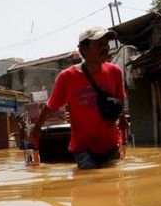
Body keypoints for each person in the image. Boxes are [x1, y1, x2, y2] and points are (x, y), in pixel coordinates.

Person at [30, 26, 127, 169]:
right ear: (83, 50)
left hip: (110, 144)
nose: (105, 48)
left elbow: (119, 97)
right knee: (89, 184)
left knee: (112, 184)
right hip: (83, 148)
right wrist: (37, 128)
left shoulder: (115, 72)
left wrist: (123, 117)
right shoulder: (67, 77)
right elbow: (50, 106)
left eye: (106, 44)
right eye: (100, 44)